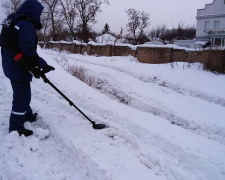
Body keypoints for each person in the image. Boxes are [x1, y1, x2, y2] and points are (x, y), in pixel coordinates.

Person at [0, 0, 54, 137]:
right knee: (22, 96)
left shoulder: (11, 20)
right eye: (39, 13)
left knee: (21, 93)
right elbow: (27, 48)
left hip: (9, 64)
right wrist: (42, 64)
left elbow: (11, 44)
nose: (39, 16)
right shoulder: (26, 24)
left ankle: (28, 114)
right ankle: (16, 126)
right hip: (18, 67)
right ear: (33, 11)